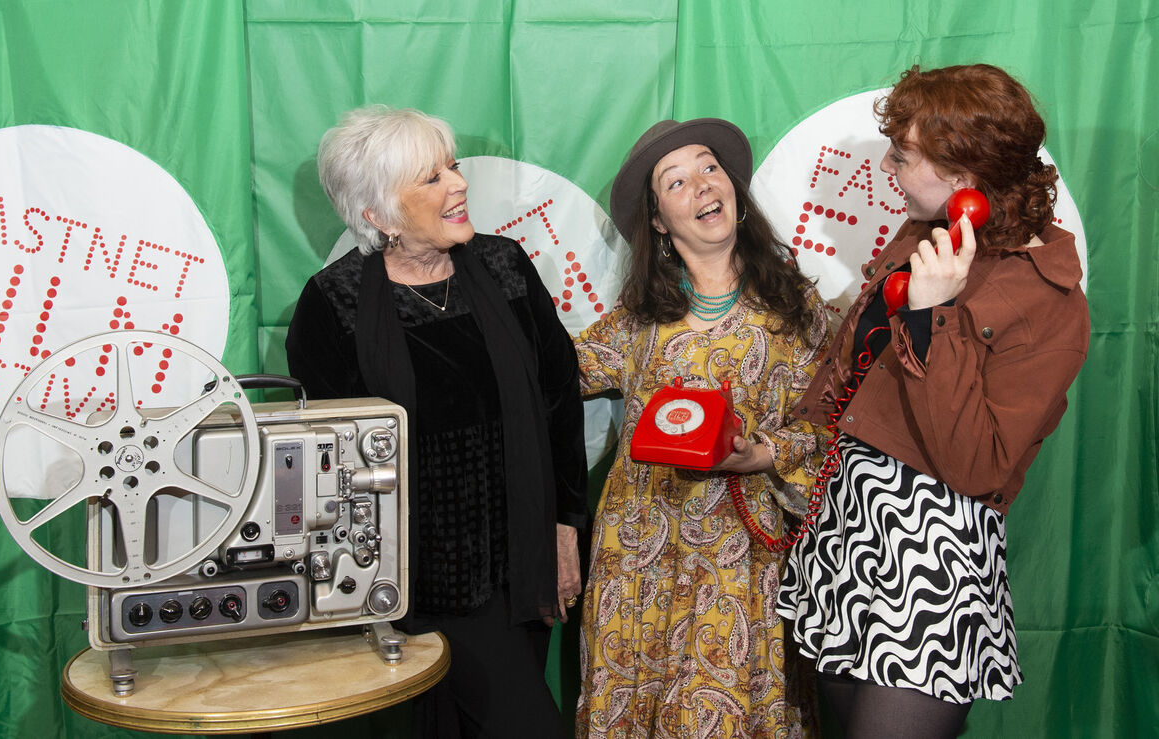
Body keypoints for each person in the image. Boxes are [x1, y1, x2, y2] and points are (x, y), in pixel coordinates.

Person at [775, 64, 1091, 738]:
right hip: (850, 533)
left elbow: (978, 466)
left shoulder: (1050, 301)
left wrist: (934, 315)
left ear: (964, 174)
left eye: (905, 155)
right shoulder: (928, 235)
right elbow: (856, 376)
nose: (888, 167)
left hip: (930, 560)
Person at [285, 106, 587, 739]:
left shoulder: (506, 267)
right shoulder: (331, 303)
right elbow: (327, 471)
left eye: (452, 166)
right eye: (431, 178)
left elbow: (559, 396)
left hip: (520, 569)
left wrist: (565, 524)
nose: (458, 184)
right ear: (378, 215)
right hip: (410, 583)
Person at [573, 118, 831, 737]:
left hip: (740, 558)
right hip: (636, 559)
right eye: (676, 180)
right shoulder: (634, 322)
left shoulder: (798, 308)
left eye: (709, 167)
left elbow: (835, 424)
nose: (702, 186)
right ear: (658, 219)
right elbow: (545, 380)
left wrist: (768, 453)